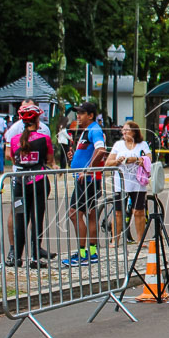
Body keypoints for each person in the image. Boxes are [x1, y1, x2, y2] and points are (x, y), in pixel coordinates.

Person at [8, 105, 55, 269]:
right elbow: (49, 159)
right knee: (37, 218)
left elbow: (13, 160)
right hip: (39, 181)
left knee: (20, 219)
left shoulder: (15, 140)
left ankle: (17, 257)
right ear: (37, 120)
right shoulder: (44, 139)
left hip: (19, 184)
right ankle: (35, 257)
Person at [66, 102, 108, 266]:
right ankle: (91, 253)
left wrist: (87, 169)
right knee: (90, 215)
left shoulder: (94, 129)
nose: (78, 116)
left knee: (74, 213)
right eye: (77, 113)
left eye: (81, 113)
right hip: (89, 179)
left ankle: (83, 254)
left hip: (89, 180)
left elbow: (101, 150)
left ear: (90, 115)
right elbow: (90, 152)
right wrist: (75, 157)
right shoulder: (87, 131)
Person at [105, 120, 151, 244]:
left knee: (138, 211)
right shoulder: (118, 145)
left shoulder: (143, 145)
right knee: (118, 212)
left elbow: (148, 159)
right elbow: (108, 162)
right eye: (123, 130)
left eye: (127, 130)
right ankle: (115, 240)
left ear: (134, 132)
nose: (124, 132)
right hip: (121, 182)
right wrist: (118, 161)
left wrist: (137, 159)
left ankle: (140, 240)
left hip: (137, 182)